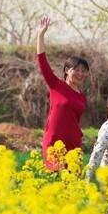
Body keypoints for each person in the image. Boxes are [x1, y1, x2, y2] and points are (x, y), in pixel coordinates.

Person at [36, 16, 89, 170]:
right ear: (67, 70)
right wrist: (40, 35)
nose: (80, 74)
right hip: (53, 141)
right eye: (76, 70)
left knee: (72, 187)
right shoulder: (56, 85)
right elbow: (42, 61)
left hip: (73, 143)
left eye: (84, 71)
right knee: (55, 179)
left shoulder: (81, 96)